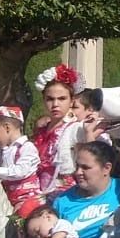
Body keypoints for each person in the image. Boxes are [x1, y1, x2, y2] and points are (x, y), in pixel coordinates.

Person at [30, 64, 85, 195]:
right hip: (39, 191)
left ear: (72, 101)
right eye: (50, 99)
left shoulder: (77, 128)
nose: (55, 104)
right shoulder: (42, 130)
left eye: (62, 99)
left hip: (67, 194)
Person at [0, 106, 41, 208]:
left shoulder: (27, 147)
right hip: (9, 200)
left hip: (28, 198)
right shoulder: (1, 152)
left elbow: (21, 171)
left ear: (7, 128)